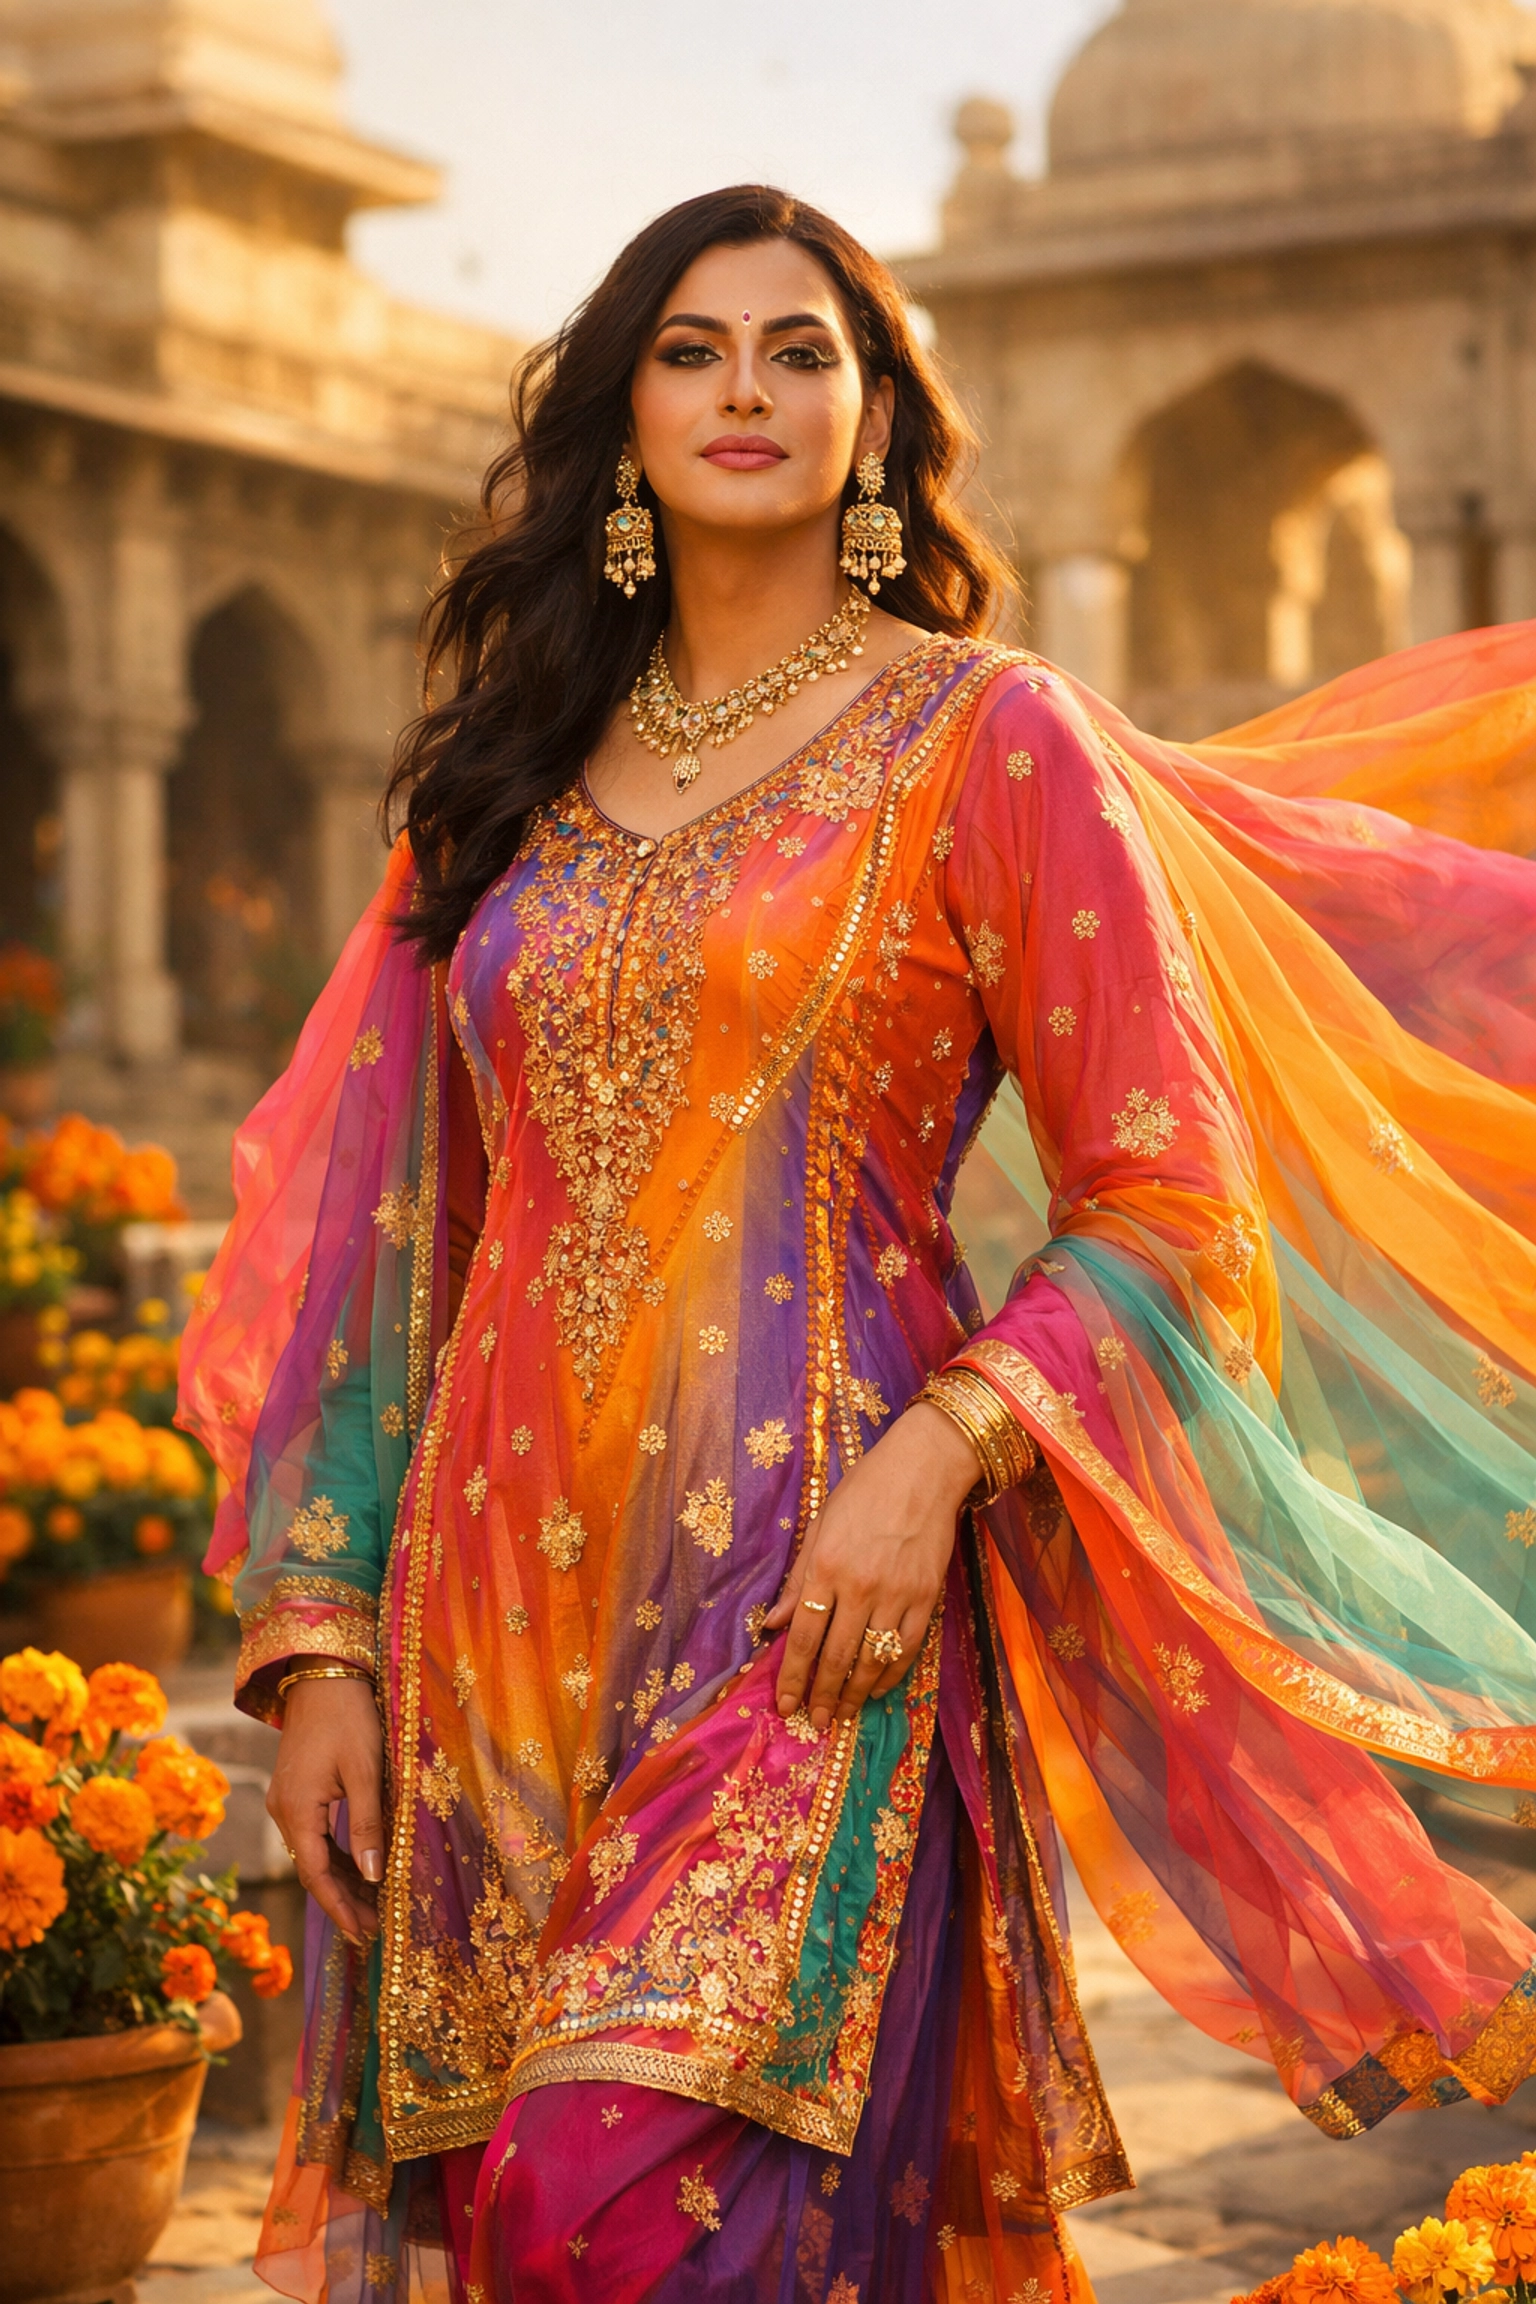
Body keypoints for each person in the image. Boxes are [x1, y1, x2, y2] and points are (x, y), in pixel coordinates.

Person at [179, 185, 1536, 2304]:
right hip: (494, 1647)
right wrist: (321, 1637)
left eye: (803, 350)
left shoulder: (988, 740)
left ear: (882, 417)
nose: (747, 390)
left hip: (815, 1608)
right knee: (541, 2238)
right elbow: (388, 1245)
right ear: (622, 415)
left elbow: (1169, 1191)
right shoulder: (500, 792)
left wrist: (943, 1458)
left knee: (600, 2195)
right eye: (694, 349)